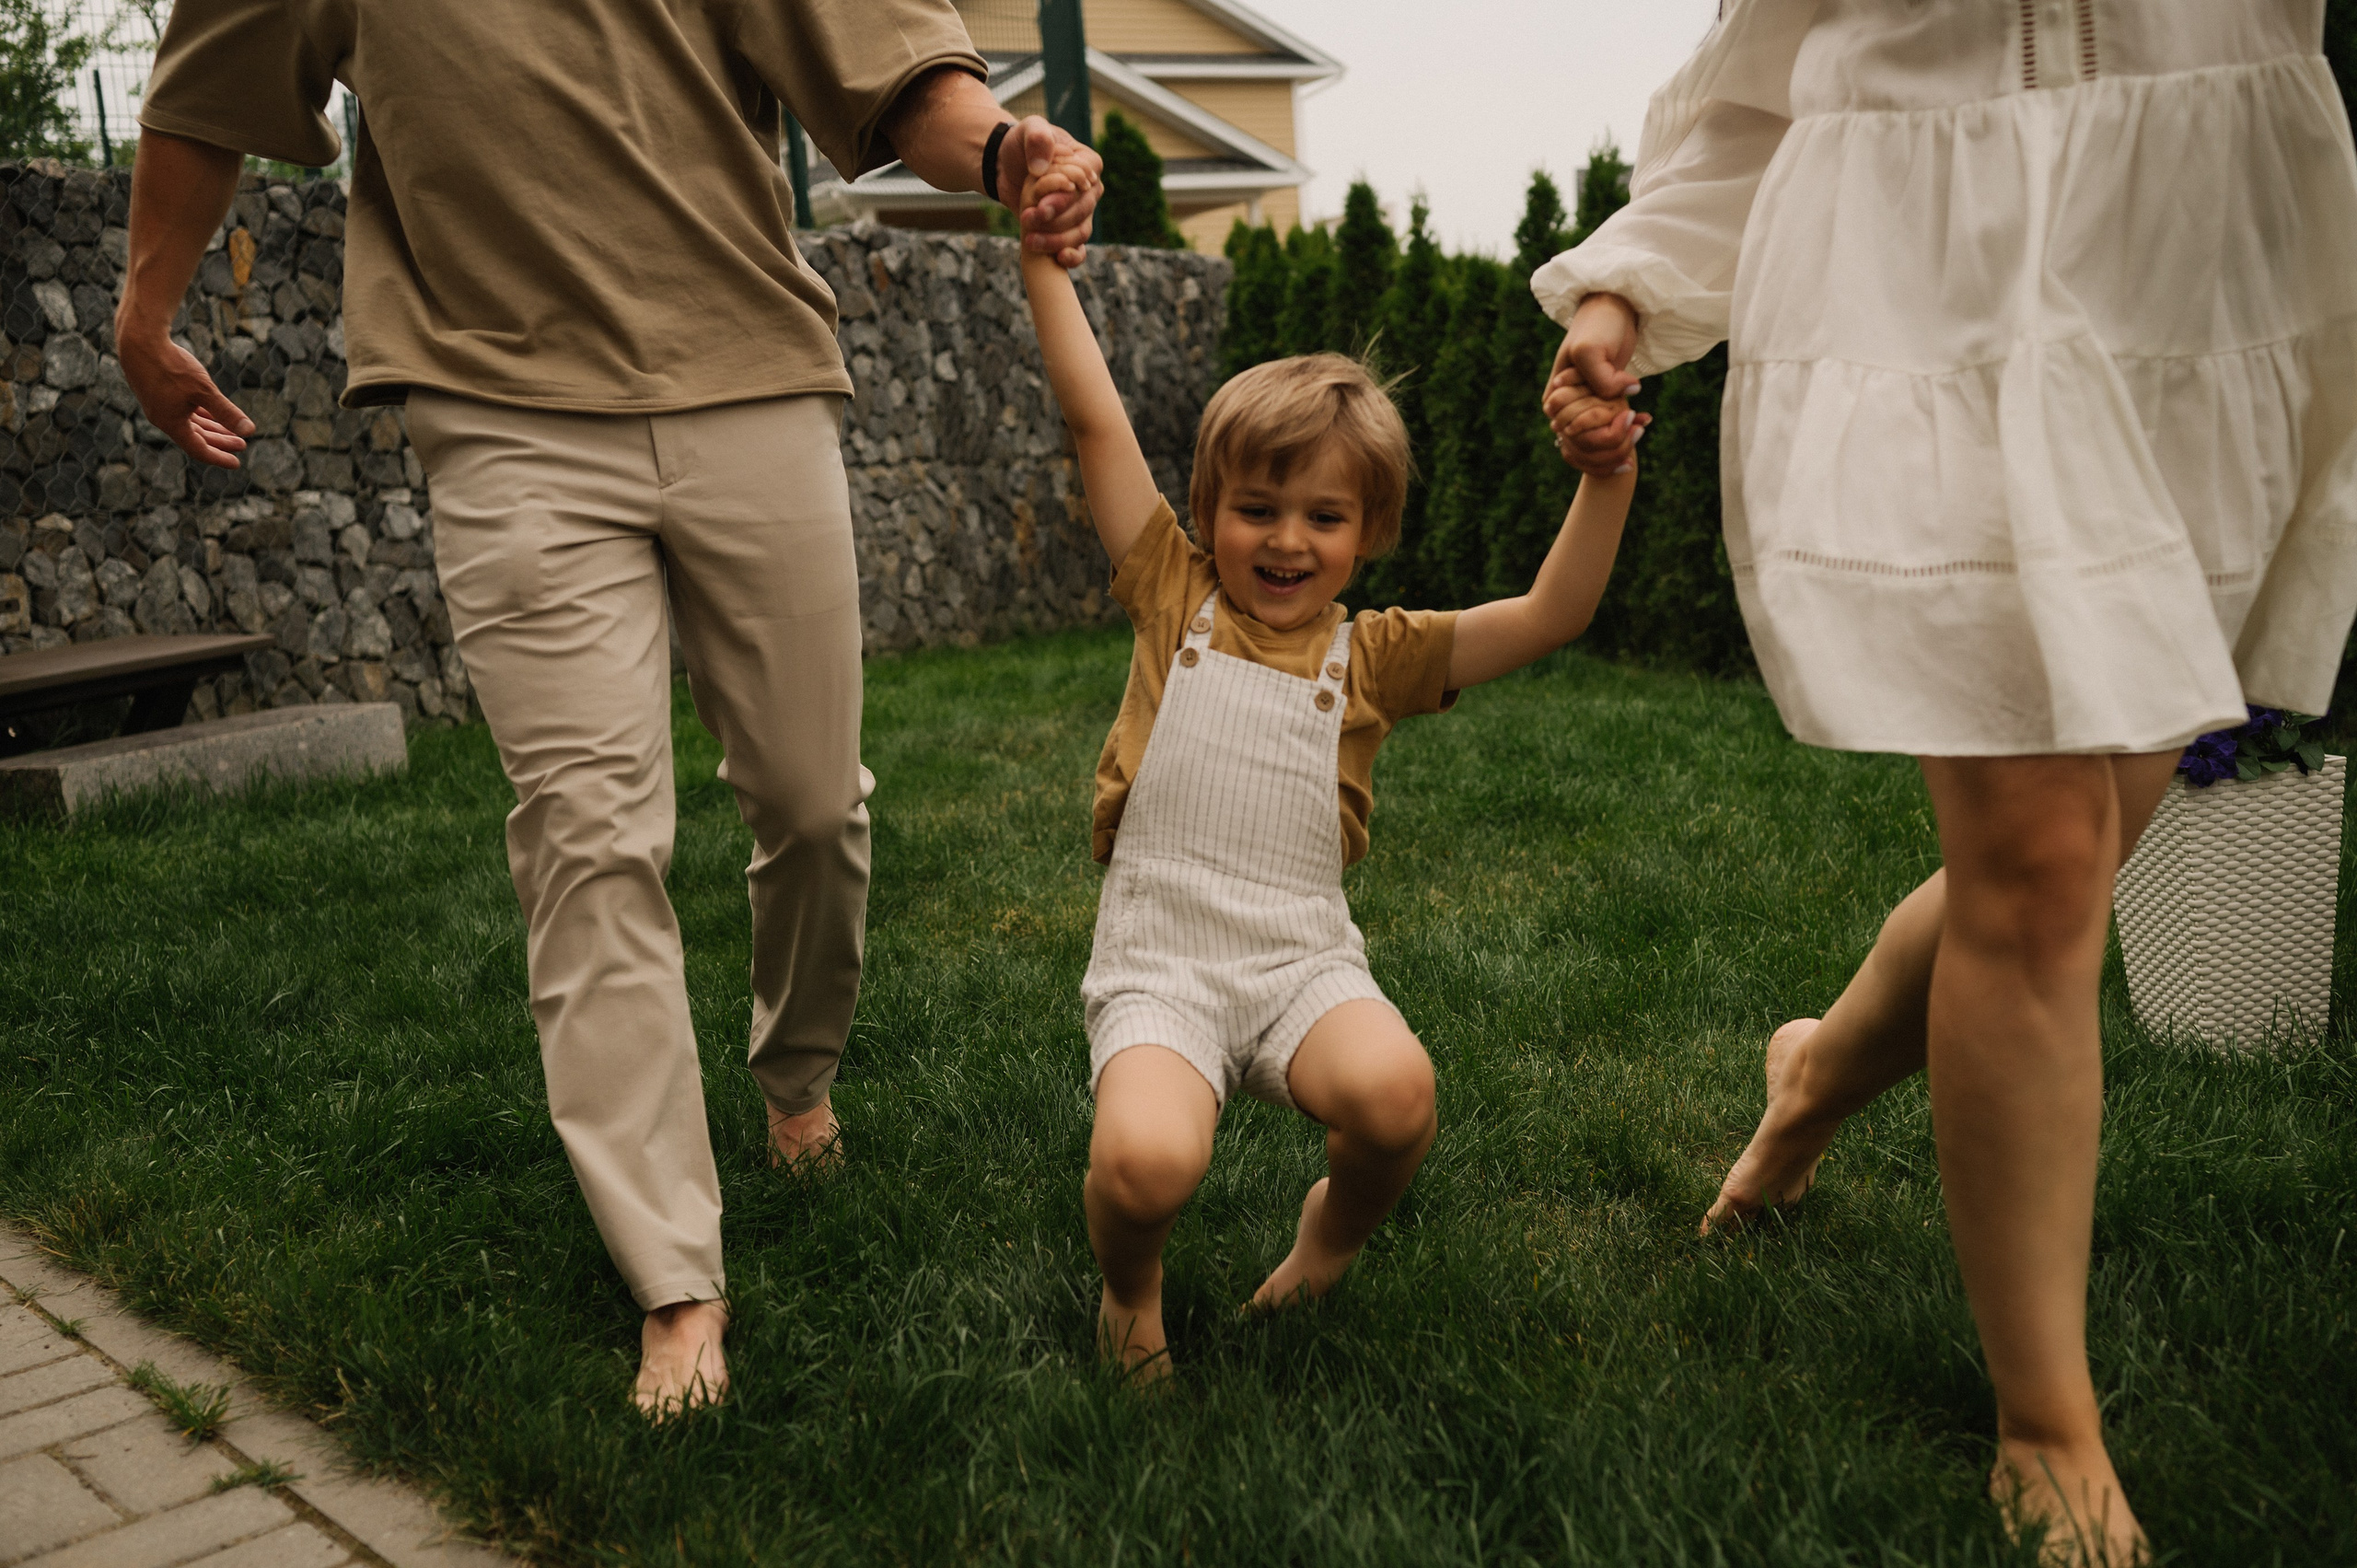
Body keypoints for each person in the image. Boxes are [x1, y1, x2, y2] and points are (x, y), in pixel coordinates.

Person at [114, 0, 1105, 1416]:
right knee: (588, 834)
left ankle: (795, 1069)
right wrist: (146, 314)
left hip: (746, 366)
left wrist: (1006, 146)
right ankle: (675, 1277)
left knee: (814, 804)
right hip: (500, 403)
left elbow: (881, 61)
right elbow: (207, 96)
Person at [1537, 2, 2357, 1561]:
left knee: (2062, 868)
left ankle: (1810, 1082)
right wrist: (1634, 290)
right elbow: (1775, 70)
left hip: (2193, 265)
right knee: (2041, 868)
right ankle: (2046, 1426)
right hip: (1930, 286)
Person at [1015, 168, 1641, 1377]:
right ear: (1208, 509)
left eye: (1323, 516)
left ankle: (1327, 1239)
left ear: (1372, 531)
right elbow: (1097, 422)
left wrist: (1605, 474)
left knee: (1399, 1098)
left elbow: (1554, 612)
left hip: (1300, 959)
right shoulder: (1171, 594)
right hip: (1165, 966)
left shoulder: (1379, 657)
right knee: (1147, 1164)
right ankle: (1131, 1291)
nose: (1287, 540)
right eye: (1256, 509)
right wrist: (1045, 265)